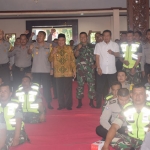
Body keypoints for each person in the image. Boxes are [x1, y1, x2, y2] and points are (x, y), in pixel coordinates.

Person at [102, 84, 150, 150]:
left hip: (147, 140)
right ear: (131, 95)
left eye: (141, 94)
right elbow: (114, 126)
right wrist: (105, 145)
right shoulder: (127, 108)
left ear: (146, 95)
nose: (137, 97)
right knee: (112, 137)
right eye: (135, 93)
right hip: (132, 140)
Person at [49, 33, 76, 110]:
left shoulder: (69, 49)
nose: (61, 42)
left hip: (68, 72)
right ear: (57, 41)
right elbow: (50, 60)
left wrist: (74, 70)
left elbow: (72, 60)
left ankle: (68, 105)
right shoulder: (54, 49)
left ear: (65, 40)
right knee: (59, 90)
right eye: (59, 40)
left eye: (62, 40)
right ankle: (61, 105)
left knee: (68, 90)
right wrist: (52, 53)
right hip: (58, 73)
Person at [28, 31, 54, 109]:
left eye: (41, 36)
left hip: (46, 70)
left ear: (44, 37)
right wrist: (30, 48)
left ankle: (48, 102)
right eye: (38, 36)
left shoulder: (49, 46)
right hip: (35, 70)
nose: (38, 37)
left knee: (47, 87)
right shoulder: (33, 45)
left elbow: (52, 58)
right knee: (35, 88)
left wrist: (52, 68)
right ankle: (36, 101)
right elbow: (29, 52)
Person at [94, 30, 120, 108]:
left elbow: (118, 54)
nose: (106, 37)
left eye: (107, 35)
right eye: (104, 36)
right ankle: (98, 104)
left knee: (113, 88)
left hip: (112, 71)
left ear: (110, 36)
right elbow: (97, 57)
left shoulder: (115, 44)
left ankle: (114, 104)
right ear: (102, 36)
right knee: (99, 88)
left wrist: (112, 52)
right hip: (102, 70)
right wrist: (98, 68)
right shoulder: (99, 45)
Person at [0, 84, 28, 150]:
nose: (2, 93)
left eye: (5, 91)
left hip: (13, 131)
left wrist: (16, 137)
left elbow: (19, 121)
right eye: (1, 91)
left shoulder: (16, 104)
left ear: (10, 93)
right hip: (1, 131)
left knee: (8, 140)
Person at [75, 32, 96, 108]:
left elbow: (96, 56)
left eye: (84, 37)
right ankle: (79, 102)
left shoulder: (92, 46)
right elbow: (76, 55)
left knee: (91, 86)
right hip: (80, 69)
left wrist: (96, 64)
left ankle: (91, 102)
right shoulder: (77, 46)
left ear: (87, 37)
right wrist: (78, 49)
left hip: (90, 69)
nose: (83, 38)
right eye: (81, 37)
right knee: (80, 86)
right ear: (80, 38)